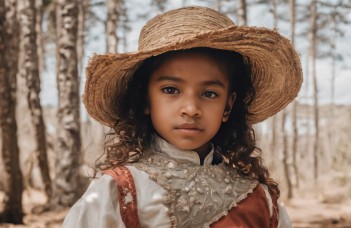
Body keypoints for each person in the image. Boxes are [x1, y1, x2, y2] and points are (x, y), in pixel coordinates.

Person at [62, 5, 302, 228]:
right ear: (146, 99)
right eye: (171, 90)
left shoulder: (261, 199)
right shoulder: (118, 190)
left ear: (228, 106)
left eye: (209, 93)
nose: (191, 108)